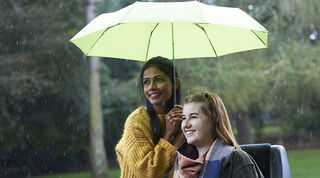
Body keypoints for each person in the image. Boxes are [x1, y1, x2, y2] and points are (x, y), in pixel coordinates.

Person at [115, 56, 184, 178]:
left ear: (175, 83)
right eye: (146, 82)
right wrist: (168, 134)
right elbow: (149, 171)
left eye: (158, 80)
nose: (151, 87)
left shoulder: (185, 118)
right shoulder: (137, 121)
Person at [173, 92, 264, 178]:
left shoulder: (238, 160)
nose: (186, 124)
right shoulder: (179, 162)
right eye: (184, 118)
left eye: (193, 117)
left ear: (214, 120)